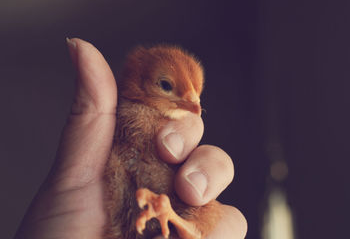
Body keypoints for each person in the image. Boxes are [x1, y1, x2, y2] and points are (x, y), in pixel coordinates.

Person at [14, 38, 247, 239]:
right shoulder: (115, 130)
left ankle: (186, 225)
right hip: (122, 227)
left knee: (206, 211)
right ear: (139, 80)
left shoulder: (170, 131)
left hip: (169, 216)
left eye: (196, 94)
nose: (194, 104)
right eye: (166, 85)